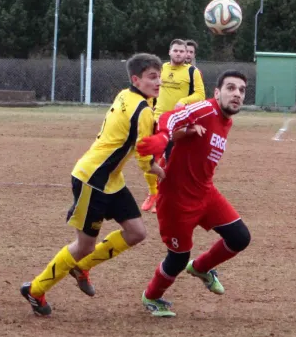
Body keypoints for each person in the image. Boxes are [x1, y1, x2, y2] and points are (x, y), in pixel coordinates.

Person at [20, 53, 166, 316]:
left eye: (159, 76)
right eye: (152, 77)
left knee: (136, 232)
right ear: (136, 79)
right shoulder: (142, 109)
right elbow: (144, 155)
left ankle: (82, 267)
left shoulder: (128, 95)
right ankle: (35, 290)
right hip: (92, 179)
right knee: (84, 244)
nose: (158, 82)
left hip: (111, 179)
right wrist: (159, 170)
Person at [135, 70, 252, 317]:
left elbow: (187, 139)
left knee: (240, 237)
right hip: (177, 199)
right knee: (177, 258)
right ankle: (152, 296)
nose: (237, 94)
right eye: (231, 88)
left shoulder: (225, 119)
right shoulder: (205, 110)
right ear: (217, 93)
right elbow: (170, 117)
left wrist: (182, 136)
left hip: (206, 193)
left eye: (242, 90)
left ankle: (201, 268)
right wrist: (165, 136)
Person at [141, 39, 205, 214]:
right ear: (169, 52)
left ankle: (164, 198)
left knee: (171, 162)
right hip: (156, 119)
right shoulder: (161, 69)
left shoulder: (192, 72)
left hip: (177, 122)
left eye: (182, 51)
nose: (178, 53)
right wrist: (148, 106)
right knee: (148, 159)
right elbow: (151, 89)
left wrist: (183, 101)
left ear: (186, 54)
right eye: (175, 50)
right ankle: (153, 193)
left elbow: (200, 95)